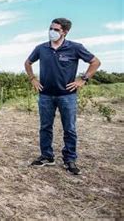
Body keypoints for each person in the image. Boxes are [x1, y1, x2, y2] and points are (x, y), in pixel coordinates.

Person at [25, 18, 100, 175]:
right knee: (45, 127)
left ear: (65, 32)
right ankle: (47, 156)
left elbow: (95, 62)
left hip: (67, 96)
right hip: (45, 95)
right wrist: (33, 79)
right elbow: (28, 63)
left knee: (69, 129)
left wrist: (83, 79)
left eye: (56, 30)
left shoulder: (75, 48)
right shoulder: (41, 48)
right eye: (51, 28)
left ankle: (70, 159)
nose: (51, 32)